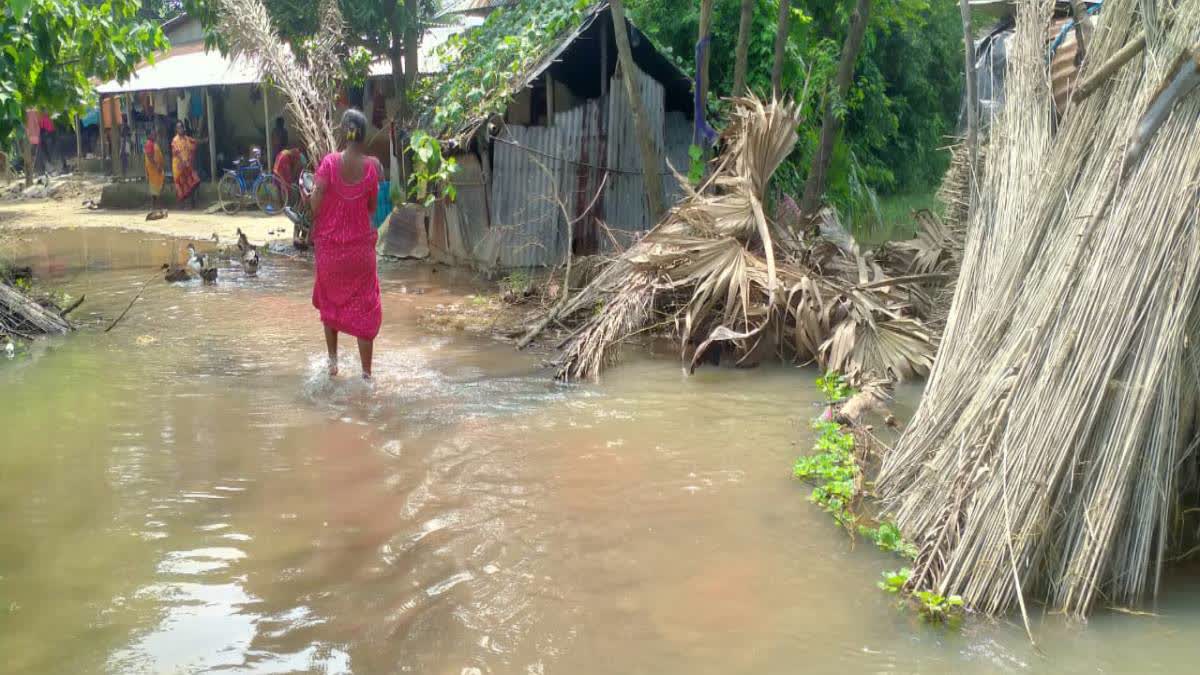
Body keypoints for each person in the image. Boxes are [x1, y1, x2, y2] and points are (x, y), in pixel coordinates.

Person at [310, 109, 381, 379]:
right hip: (360, 254)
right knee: (365, 307)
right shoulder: (371, 169)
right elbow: (372, 207)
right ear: (362, 136)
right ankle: (366, 374)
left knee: (330, 304)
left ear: (343, 131)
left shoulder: (328, 163)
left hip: (330, 252)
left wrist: (310, 196)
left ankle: (333, 363)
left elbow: (315, 206)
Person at [171, 120, 204, 209]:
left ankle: (192, 204)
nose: (180, 129)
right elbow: (177, 152)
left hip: (188, 165)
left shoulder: (187, 139)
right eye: (178, 127)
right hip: (179, 166)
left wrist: (204, 141)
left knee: (194, 182)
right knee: (181, 186)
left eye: (181, 127)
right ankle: (183, 205)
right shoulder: (175, 140)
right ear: (176, 129)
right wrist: (183, 160)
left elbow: (195, 142)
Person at [144, 131, 166, 210]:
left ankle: (155, 207)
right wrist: (157, 166)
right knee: (156, 189)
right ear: (149, 135)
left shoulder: (154, 143)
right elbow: (150, 157)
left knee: (157, 189)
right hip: (154, 170)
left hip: (156, 170)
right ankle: (156, 207)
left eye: (155, 134)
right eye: (153, 134)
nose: (155, 135)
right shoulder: (149, 144)